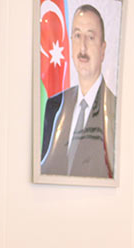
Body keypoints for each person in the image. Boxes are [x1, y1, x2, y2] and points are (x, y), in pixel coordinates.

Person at [41, 4, 116, 178]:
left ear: (103, 49)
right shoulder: (54, 106)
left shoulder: (116, 112)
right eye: (77, 35)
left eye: (90, 37)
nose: (82, 48)